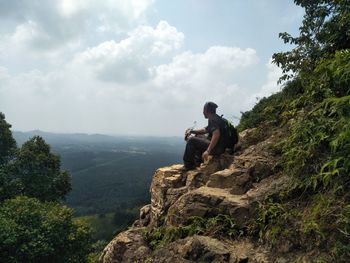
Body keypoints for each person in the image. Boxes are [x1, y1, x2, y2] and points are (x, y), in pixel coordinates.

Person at [183, 101, 227, 170]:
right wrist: (192, 131)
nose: (203, 112)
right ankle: (197, 162)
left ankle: (188, 165)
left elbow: (216, 134)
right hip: (221, 146)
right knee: (198, 136)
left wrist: (208, 151)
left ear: (207, 111)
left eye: (204, 110)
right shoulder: (216, 118)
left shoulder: (212, 119)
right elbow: (205, 130)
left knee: (191, 140)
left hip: (217, 149)